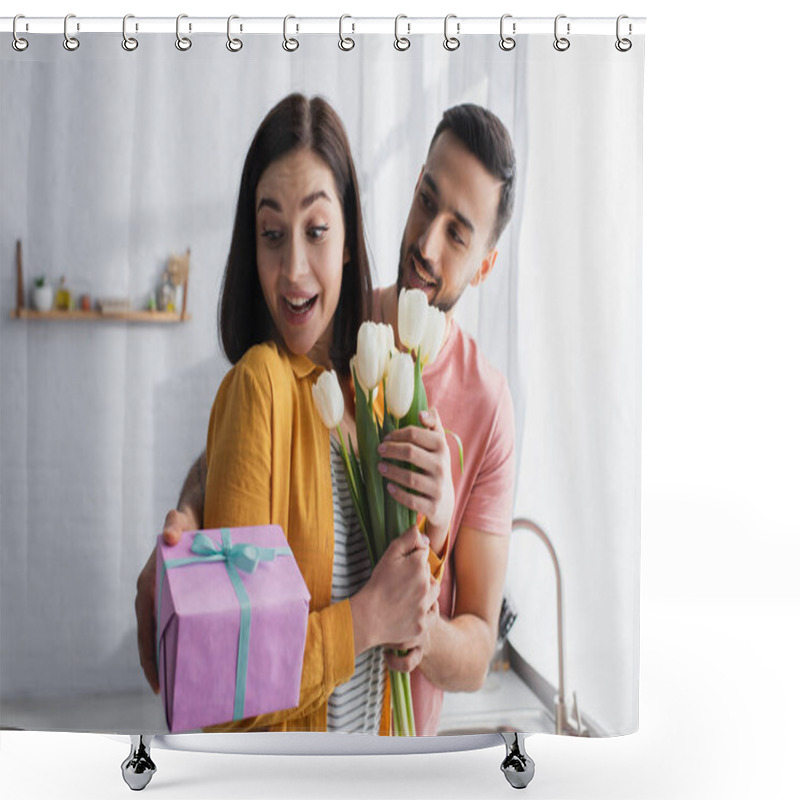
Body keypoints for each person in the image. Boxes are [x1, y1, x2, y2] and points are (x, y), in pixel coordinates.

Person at [137, 102, 516, 736]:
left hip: (396, 748)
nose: (425, 244)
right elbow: (248, 438)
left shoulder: (487, 404)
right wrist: (190, 533)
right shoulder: (332, 330)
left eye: (457, 232)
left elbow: (476, 646)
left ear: (484, 263)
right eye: (427, 200)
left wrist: (436, 539)